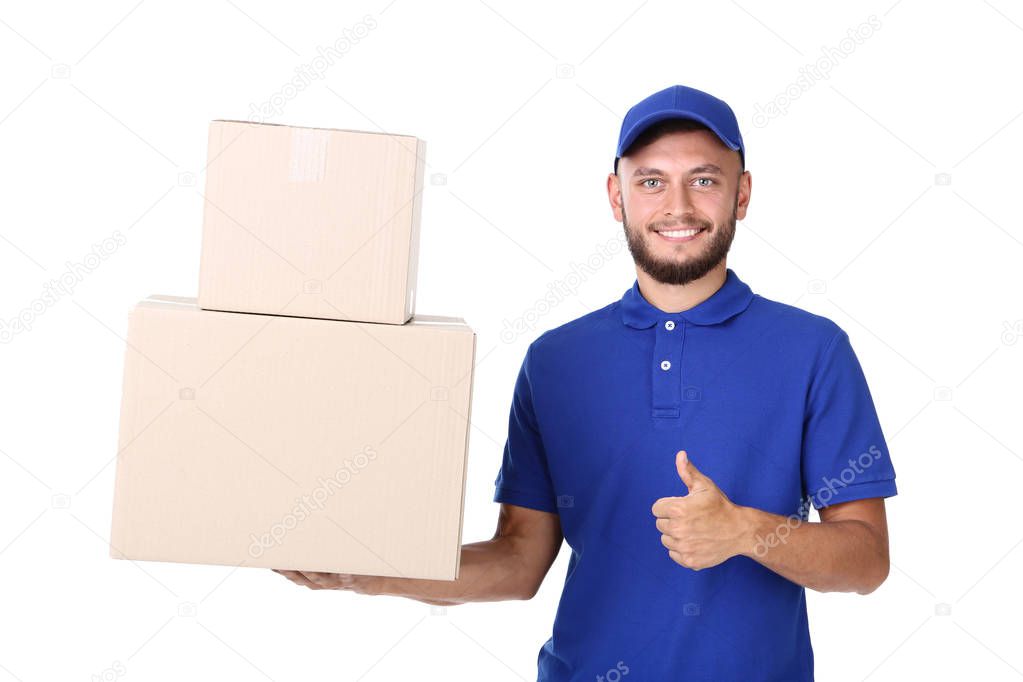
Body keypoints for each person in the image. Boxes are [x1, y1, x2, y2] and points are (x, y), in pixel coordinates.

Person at [276, 84, 898, 681]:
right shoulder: (556, 361)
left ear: (742, 194)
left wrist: (744, 531)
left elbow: (867, 561)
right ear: (616, 195)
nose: (677, 206)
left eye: (703, 180)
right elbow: (519, 563)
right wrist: (374, 575)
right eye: (651, 181)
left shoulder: (813, 350)